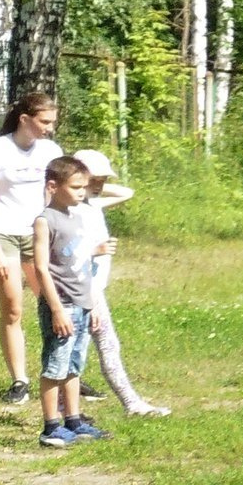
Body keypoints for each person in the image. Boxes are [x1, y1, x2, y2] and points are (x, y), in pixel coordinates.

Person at [66, 149, 171, 416]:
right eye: (95, 178)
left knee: (83, 349)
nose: (99, 184)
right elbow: (72, 257)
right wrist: (91, 299)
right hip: (84, 290)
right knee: (90, 348)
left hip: (92, 289)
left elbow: (126, 192)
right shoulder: (73, 211)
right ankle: (129, 404)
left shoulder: (91, 204)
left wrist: (94, 186)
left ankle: (68, 409)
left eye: (103, 179)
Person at [0, 90, 62, 405]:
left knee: (53, 304)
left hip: (38, 234)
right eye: (45, 122)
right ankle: (20, 381)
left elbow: (56, 195)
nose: (49, 128)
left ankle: (61, 373)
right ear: (24, 119)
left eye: (52, 122)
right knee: (13, 308)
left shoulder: (50, 150)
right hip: (4, 235)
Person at [31, 156, 108, 449]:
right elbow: (41, 268)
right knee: (55, 366)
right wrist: (56, 310)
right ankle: (51, 427)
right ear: (53, 186)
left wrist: (92, 304)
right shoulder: (45, 220)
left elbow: (83, 263)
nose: (82, 192)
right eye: (76, 187)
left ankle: (73, 420)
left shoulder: (77, 218)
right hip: (61, 305)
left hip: (82, 303)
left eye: (84, 187)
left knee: (74, 365)